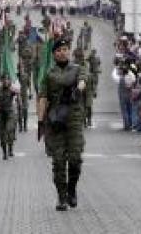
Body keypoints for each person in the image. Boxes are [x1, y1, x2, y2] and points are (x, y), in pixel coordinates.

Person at [38, 38, 88, 211]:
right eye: (58, 50)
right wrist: (40, 121)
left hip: (73, 120)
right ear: (54, 54)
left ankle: (72, 189)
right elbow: (43, 97)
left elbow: (83, 79)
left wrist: (79, 88)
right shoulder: (48, 74)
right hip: (55, 121)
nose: (62, 52)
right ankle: (61, 196)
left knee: (75, 158)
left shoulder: (77, 68)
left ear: (69, 51)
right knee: (58, 161)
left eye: (65, 49)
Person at [0, 73, 17, 160]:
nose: (6, 81)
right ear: (2, 81)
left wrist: (12, 89)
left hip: (10, 113)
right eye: (4, 80)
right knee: (2, 135)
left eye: (7, 79)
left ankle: (10, 148)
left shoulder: (11, 87)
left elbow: (18, 91)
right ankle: (4, 153)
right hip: (0, 113)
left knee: (9, 130)